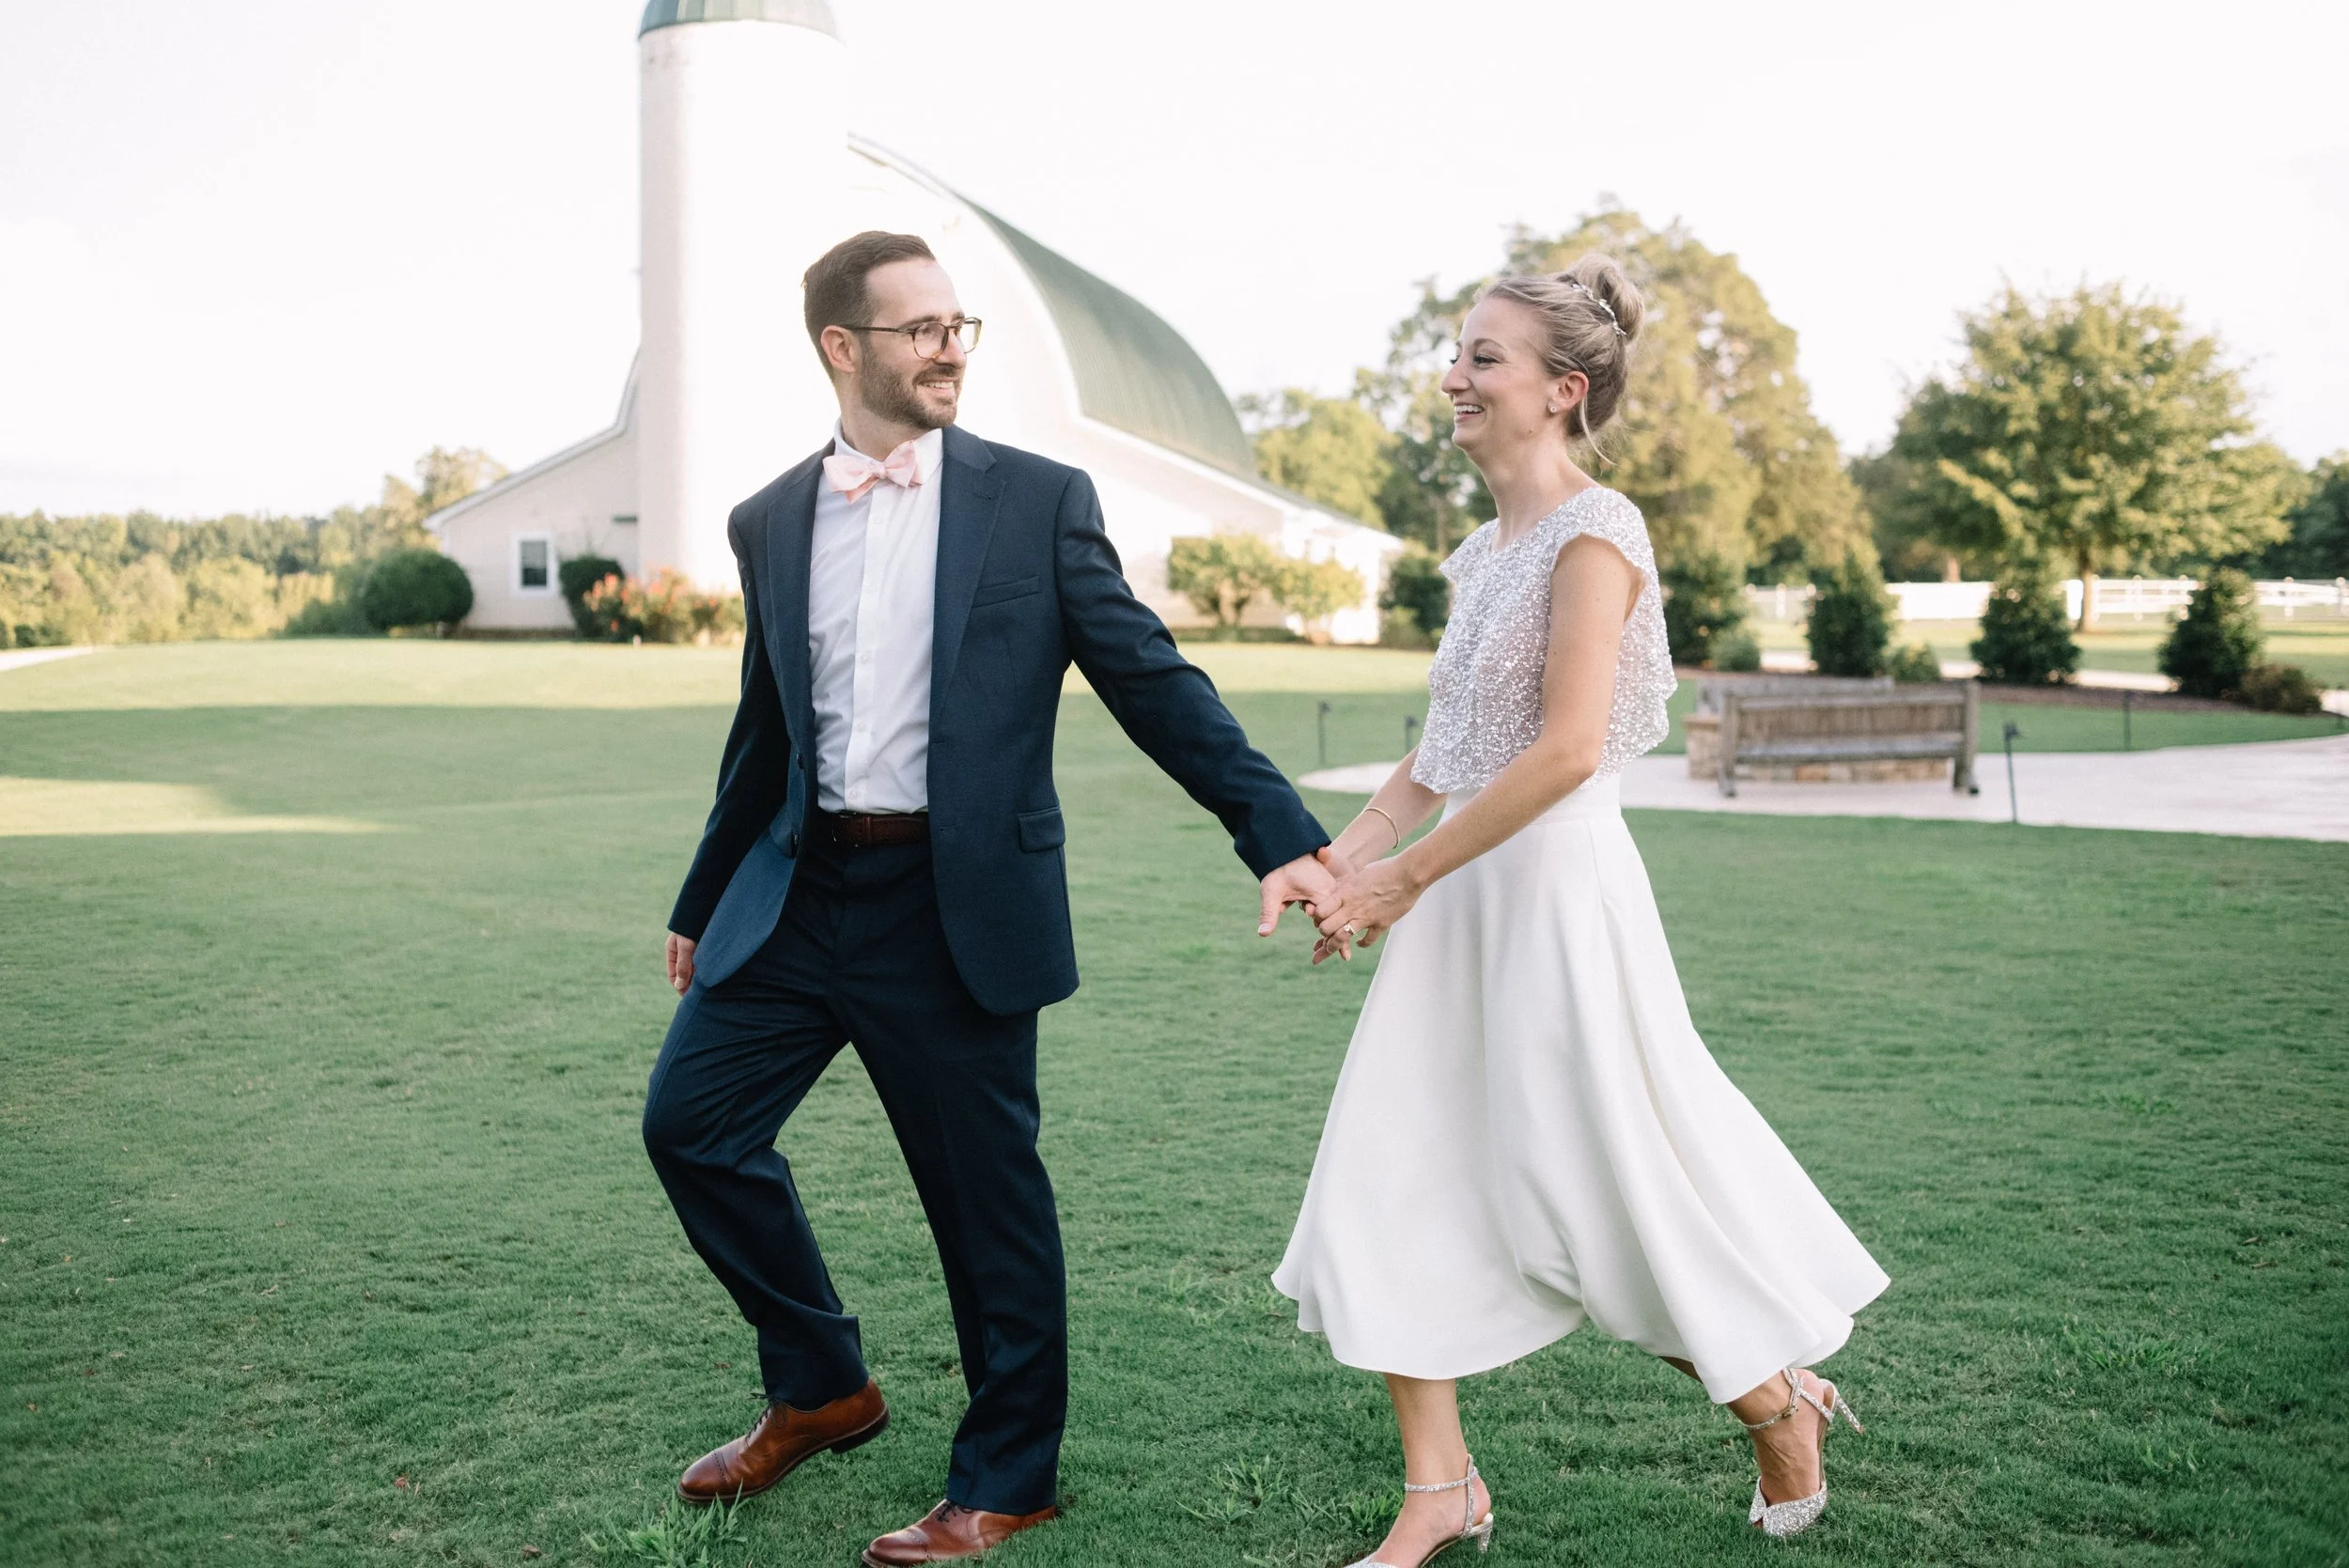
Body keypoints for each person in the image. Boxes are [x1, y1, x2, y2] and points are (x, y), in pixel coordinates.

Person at [642, 230, 1335, 1566]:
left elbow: (1152, 680)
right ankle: (823, 1385)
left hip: (950, 912)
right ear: (844, 348)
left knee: (984, 1203)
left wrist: (1278, 835)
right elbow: (765, 731)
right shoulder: (768, 519)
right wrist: (701, 895)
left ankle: (1005, 1478)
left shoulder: (1038, 501)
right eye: (919, 327)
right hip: (795, 896)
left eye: (960, 323)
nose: (951, 343)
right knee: (692, 1127)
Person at [1276, 256, 1890, 1563]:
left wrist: (1403, 877)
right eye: (1458, 351)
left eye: (1483, 356)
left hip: (1554, 899)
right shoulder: (1479, 551)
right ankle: (1441, 1489)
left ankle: (1775, 1396)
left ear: (1562, 390)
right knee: (1393, 1170)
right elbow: (1441, 755)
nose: (1454, 375)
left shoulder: (1597, 533)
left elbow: (1561, 754)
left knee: (1603, 1188)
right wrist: (1344, 858)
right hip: (1455, 907)